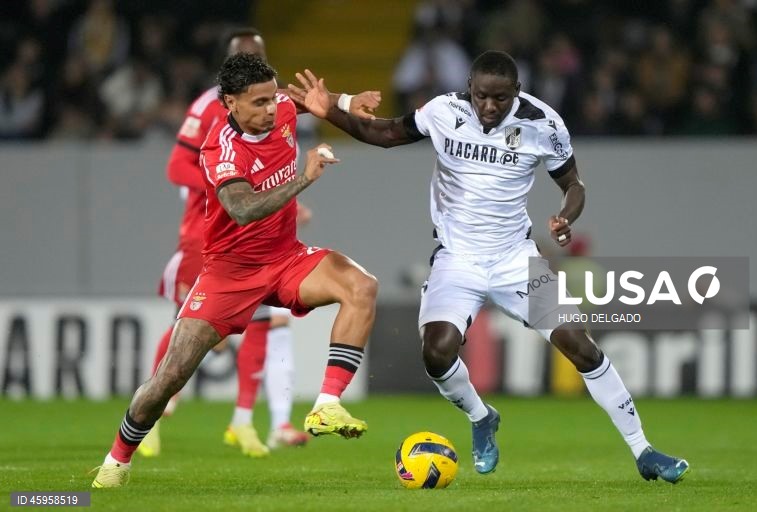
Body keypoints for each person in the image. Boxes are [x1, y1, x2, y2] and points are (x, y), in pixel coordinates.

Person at [290, 50, 690, 483]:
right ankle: (482, 419)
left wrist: (565, 217)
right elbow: (386, 133)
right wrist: (330, 110)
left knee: (580, 346)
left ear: (516, 92)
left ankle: (643, 450)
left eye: (500, 99)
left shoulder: (543, 123)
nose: (489, 107)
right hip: (455, 259)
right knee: (437, 352)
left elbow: (573, 182)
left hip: (517, 258)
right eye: (481, 97)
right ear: (470, 90)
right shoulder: (444, 110)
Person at [91, 53, 379, 488]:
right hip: (229, 273)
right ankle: (117, 461)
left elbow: (307, 99)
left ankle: (326, 403)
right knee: (169, 377)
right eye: (258, 103)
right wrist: (304, 179)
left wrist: (347, 99)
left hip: (285, 258)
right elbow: (243, 210)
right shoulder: (220, 149)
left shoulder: (279, 105)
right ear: (230, 103)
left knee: (361, 286)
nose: (271, 109)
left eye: (271, 99)